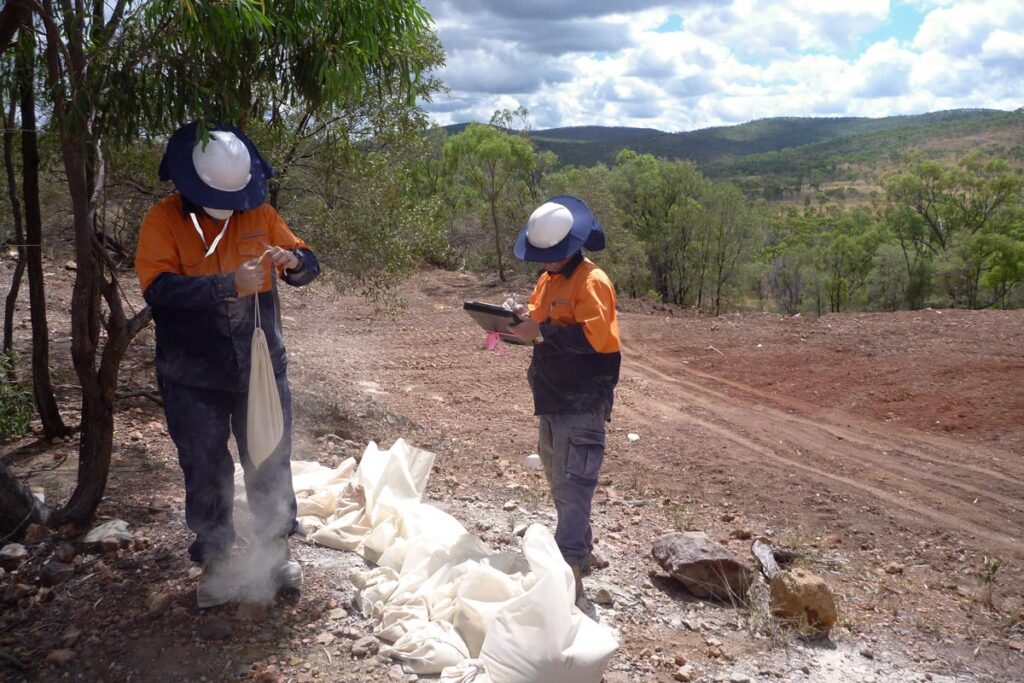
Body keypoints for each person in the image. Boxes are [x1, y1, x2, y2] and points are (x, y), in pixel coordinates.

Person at [135, 121, 320, 608]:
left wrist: (295, 262)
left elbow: (308, 264)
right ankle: (216, 562)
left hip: (259, 368)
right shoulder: (163, 220)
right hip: (192, 374)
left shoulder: (258, 210)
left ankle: (276, 554)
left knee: (269, 457)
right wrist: (224, 285)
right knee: (205, 466)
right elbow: (157, 290)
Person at [506, 196, 621, 613]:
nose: (547, 263)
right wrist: (517, 319)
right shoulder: (548, 280)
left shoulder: (593, 282)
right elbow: (538, 319)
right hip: (552, 396)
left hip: (582, 399)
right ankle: (581, 551)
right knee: (559, 478)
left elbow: (598, 341)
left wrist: (544, 331)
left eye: (552, 257)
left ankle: (570, 573)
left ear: (572, 247)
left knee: (574, 484)